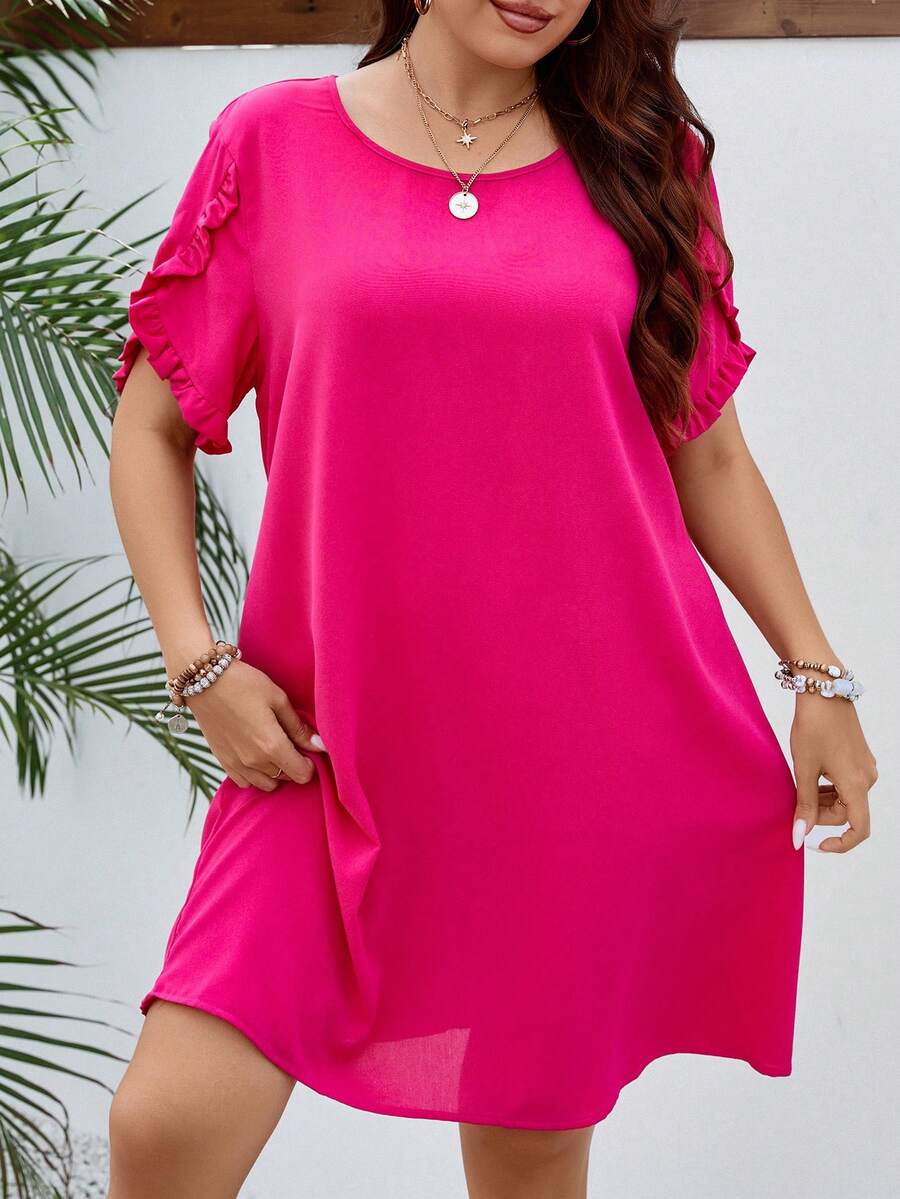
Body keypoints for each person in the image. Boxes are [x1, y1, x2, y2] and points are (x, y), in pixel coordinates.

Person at [105, 2, 878, 1196]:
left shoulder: (641, 159)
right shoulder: (271, 144)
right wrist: (196, 660)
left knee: (527, 1159)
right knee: (166, 1127)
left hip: (569, 758)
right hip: (326, 747)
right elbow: (150, 426)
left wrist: (817, 674)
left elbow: (709, 451)